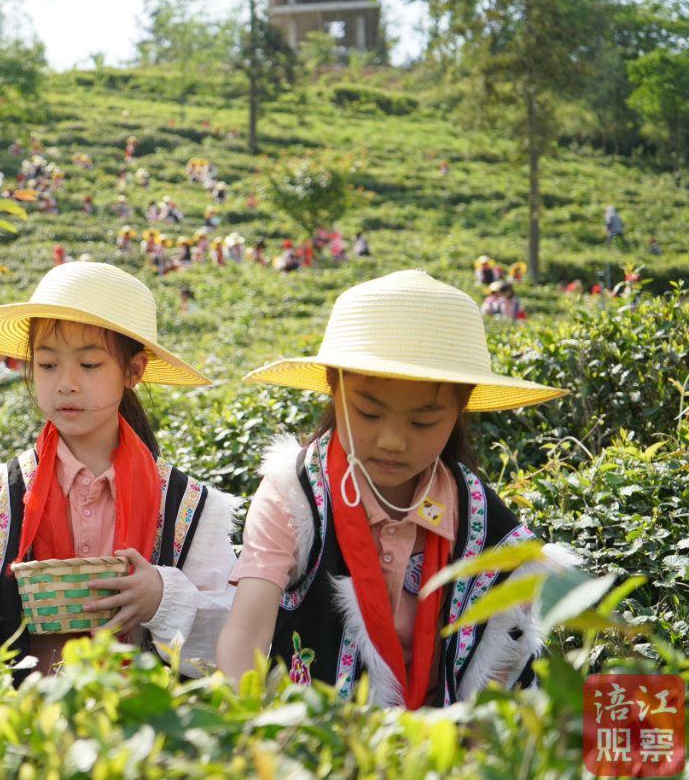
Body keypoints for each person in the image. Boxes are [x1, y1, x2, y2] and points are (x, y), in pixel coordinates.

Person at [0, 262, 240, 676]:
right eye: (48, 365)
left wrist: (163, 598)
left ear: (133, 371)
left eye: (89, 365)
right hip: (27, 711)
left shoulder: (186, 506)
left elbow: (234, 631)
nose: (65, 383)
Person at [217, 270, 570, 707]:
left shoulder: (477, 511)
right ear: (333, 386)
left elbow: (502, 654)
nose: (392, 441)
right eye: (368, 413)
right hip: (318, 734)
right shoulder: (294, 495)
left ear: (460, 408)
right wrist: (246, 718)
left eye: (423, 422)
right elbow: (247, 630)